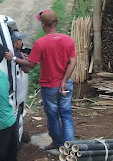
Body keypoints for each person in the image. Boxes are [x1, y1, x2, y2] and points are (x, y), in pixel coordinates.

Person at [5, 9, 76, 151]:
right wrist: (64, 81)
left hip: (49, 86)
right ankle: (69, 148)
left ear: (44, 25)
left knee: (53, 116)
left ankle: (57, 143)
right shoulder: (68, 40)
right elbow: (72, 62)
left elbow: (31, 64)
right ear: (56, 23)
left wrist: (13, 58)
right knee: (66, 115)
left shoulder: (40, 43)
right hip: (65, 84)